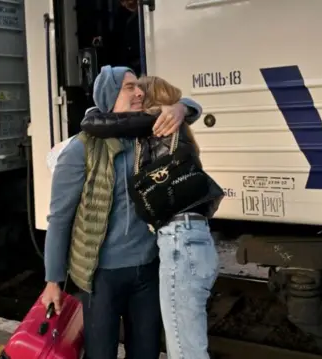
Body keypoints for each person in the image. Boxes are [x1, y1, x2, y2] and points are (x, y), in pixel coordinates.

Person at [41, 65, 202, 359]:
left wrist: (180, 107)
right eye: (129, 88)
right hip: (100, 275)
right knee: (101, 353)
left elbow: (193, 107)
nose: (139, 92)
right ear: (110, 95)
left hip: (148, 269)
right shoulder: (81, 149)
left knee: (146, 351)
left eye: (138, 87)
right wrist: (53, 281)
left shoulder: (148, 135)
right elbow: (60, 217)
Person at [81, 76, 223, 359]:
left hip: (179, 244)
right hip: (196, 240)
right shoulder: (176, 128)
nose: (136, 98)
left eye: (140, 94)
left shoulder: (155, 125)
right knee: (189, 347)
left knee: (185, 352)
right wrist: (184, 106)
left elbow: (94, 121)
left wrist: (179, 107)